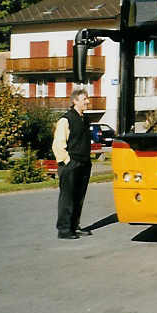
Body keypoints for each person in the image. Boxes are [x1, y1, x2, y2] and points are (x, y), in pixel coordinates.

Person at [52, 88, 93, 239]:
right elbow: (58, 144)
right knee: (67, 198)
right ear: (75, 101)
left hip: (83, 163)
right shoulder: (66, 119)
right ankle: (64, 230)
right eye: (84, 99)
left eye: (87, 99)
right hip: (71, 164)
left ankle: (74, 226)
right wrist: (67, 162)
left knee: (78, 197)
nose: (87, 101)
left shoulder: (85, 119)